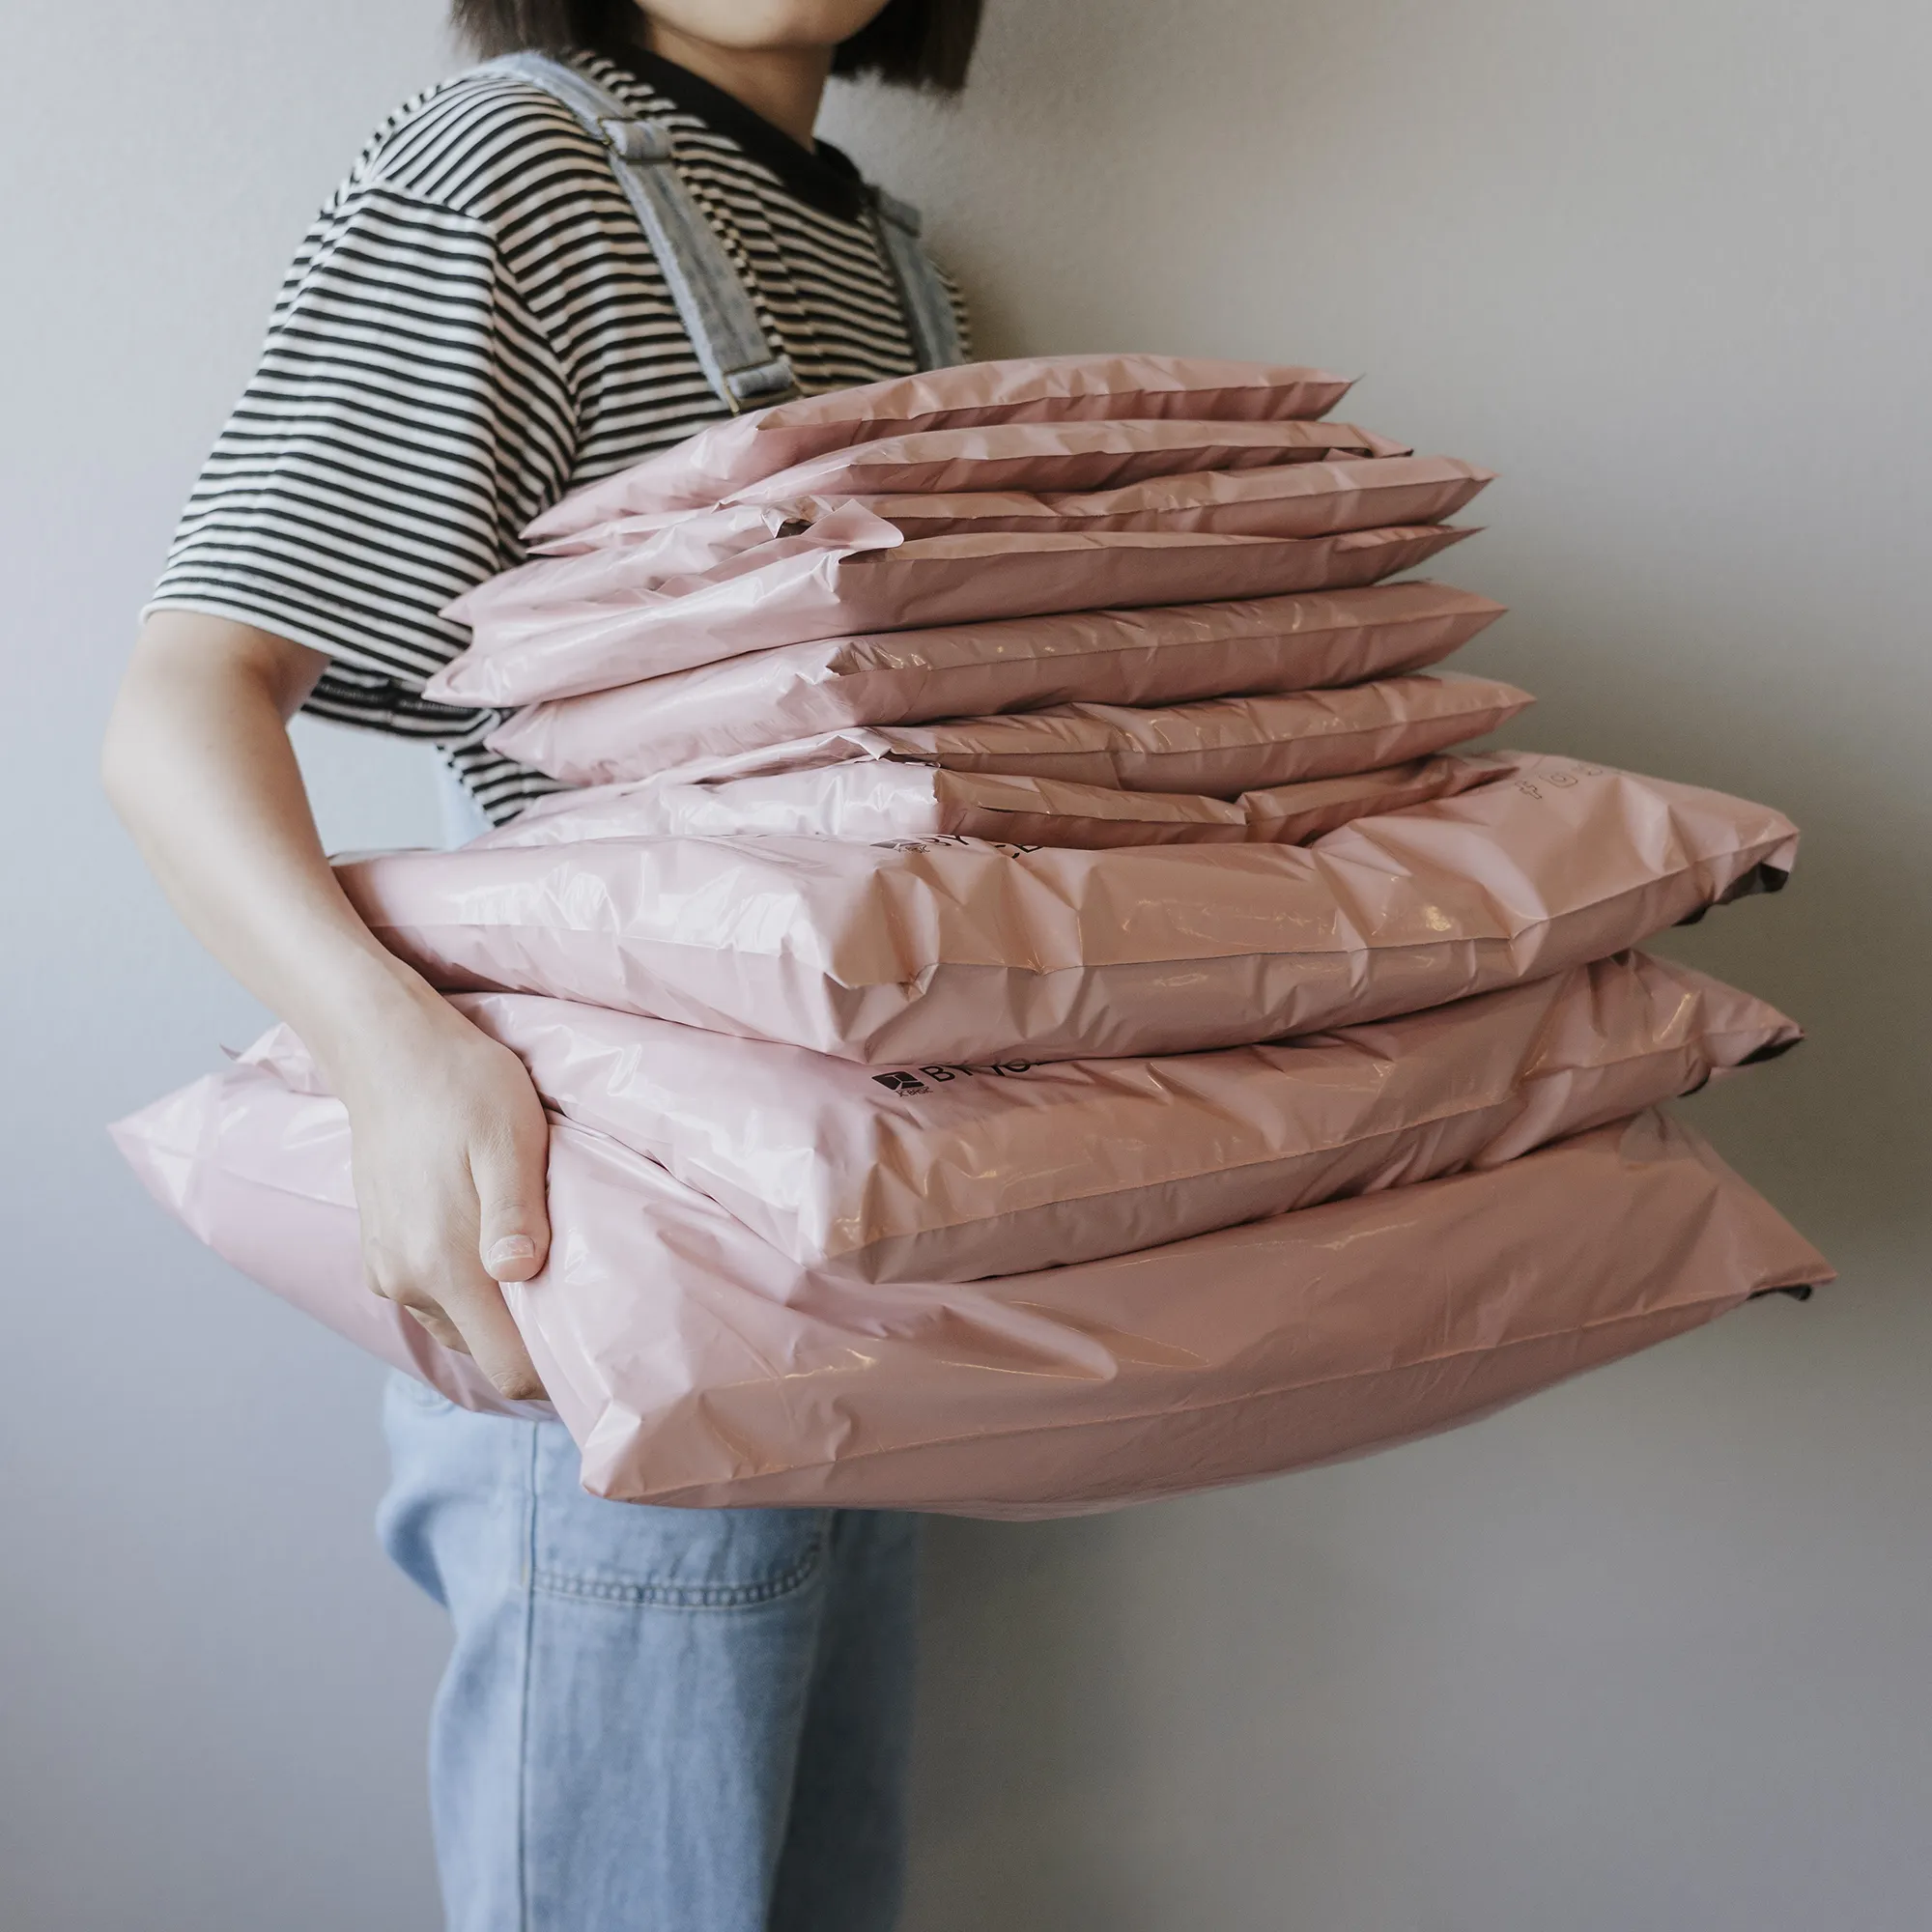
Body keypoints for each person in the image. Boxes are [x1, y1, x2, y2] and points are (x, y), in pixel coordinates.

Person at [100, 3, 983, 1925]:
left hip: (867, 1242)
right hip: (615, 1231)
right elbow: (185, 699)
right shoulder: (515, 165)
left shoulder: (896, 266)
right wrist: (400, 1064)